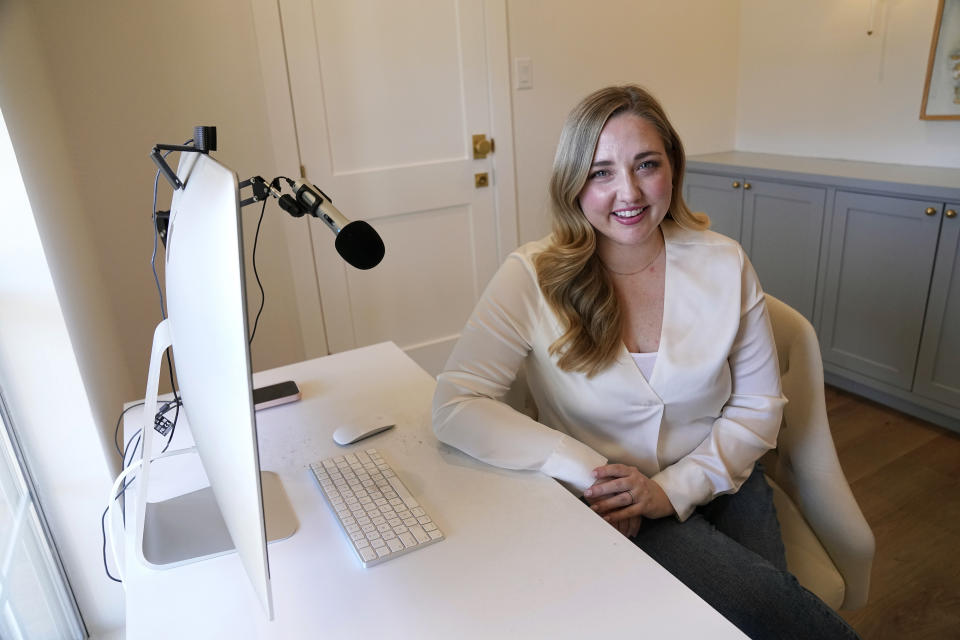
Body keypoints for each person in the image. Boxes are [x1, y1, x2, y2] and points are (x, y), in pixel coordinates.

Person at [432, 85, 859, 639]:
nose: (627, 192)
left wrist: (672, 489)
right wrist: (588, 470)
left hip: (722, 473)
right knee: (775, 621)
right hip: (611, 497)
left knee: (767, 616)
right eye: (601, 171)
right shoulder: (531, 275)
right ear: (572, 183)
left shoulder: (725, 263)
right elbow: (456, 402)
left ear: (673, 170)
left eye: (646, 165)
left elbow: (757, 406)